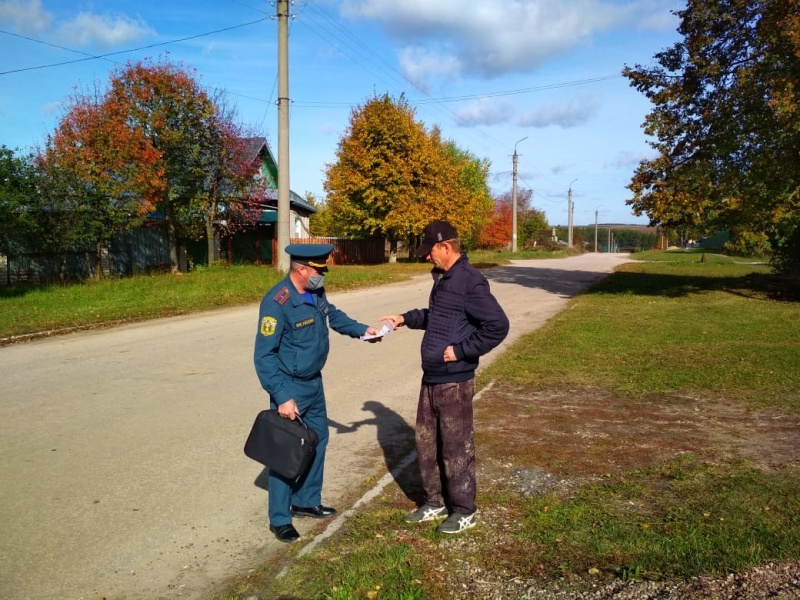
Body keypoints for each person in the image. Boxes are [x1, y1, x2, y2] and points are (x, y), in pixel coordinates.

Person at [379, 220, 509, 534]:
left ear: (446, 247)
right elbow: (436, 317)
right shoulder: (443, 278)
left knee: (456, 446)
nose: (427, 257)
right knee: (425, 444)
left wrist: (462, 350)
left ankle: (465, 510)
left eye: (430, 251)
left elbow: (498, 326)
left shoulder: (469, 281)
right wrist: (404, 319)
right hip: (432, 378)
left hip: (455, 381)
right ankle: (435, 503)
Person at [254, 243, 381, 543]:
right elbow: (264, 356)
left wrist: (363, 331)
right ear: (301, 269)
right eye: (318, 270)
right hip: (290, 387)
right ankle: (280, 518)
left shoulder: (315, 293)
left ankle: (306, 501)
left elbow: (334, 316)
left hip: (314, 383)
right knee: (287, 451)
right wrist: (282, 396)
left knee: (318, 441)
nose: (323, 274)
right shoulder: (277, 302)